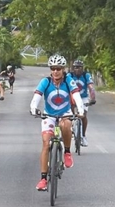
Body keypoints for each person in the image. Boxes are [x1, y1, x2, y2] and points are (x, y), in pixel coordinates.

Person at [29, 54, 84, 191]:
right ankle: (43, 179)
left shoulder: (68, 81)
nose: (55, 71)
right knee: (46, 143)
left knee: (66, 125)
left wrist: (81, 110)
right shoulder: (46, 82)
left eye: (58, 68)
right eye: (53, 68)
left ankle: (66, 151)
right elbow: (36, 97)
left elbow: (76, 96)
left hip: (65, 113)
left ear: (63, 69)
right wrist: (33, 108)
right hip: (49, 115)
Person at [67, 59, 97, 147]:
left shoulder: (86, 75)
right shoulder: (70, 75)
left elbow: (91, 87)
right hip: (72, 97)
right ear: (73, 68)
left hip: (83, 98)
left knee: (83, 115)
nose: (77, 69)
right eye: (75, 67)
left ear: (82, 68)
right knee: (70, 115)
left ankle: (83, 135)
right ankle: (72, 128)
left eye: (79, 67)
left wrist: (93, 98)